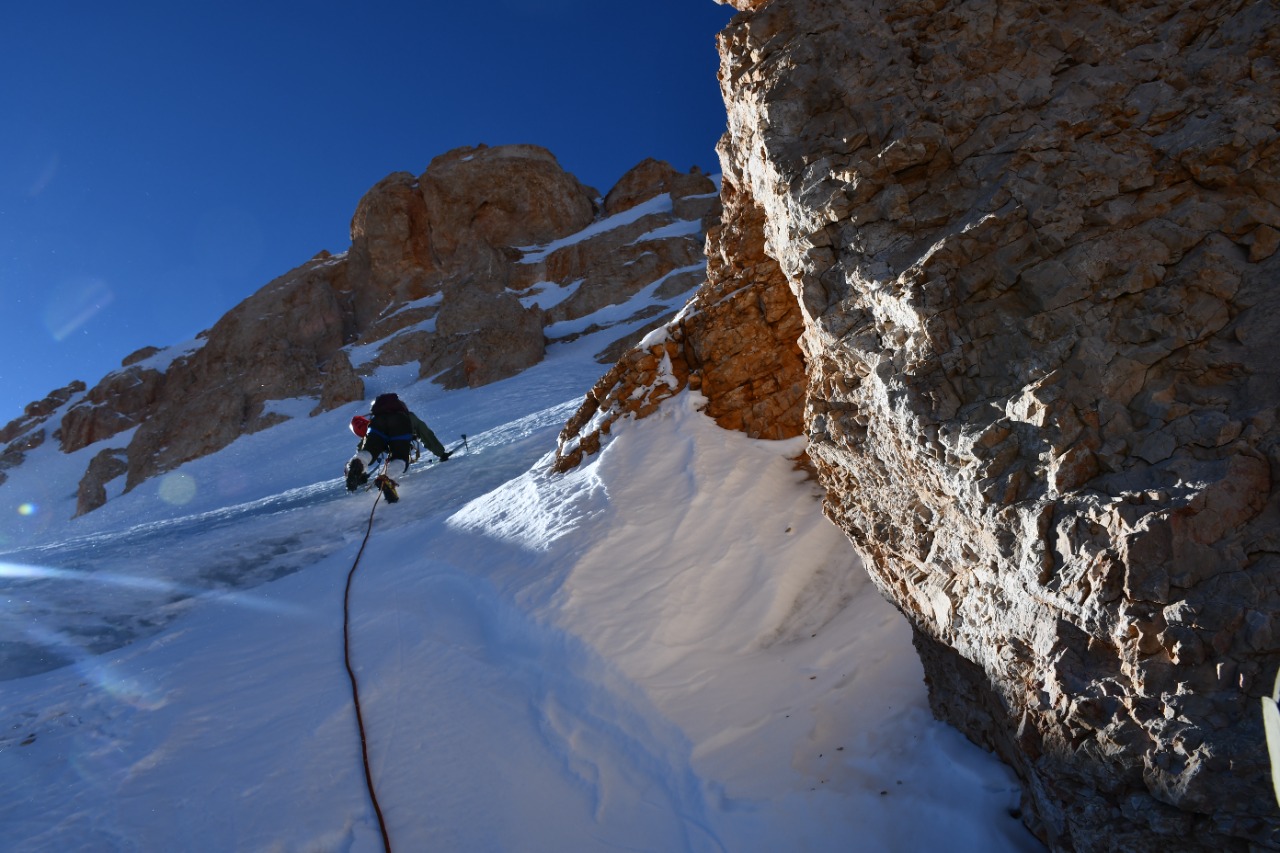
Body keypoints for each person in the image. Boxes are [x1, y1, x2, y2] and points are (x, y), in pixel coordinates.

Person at [345, 393, 450, 492]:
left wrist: (360, 474)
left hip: (378, 425)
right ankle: (387, 477)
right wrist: (441, 453)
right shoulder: (408, 416)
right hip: (400, 425)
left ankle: (358, 463)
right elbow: (425, 433)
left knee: (369, 451)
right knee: (399, 457)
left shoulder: (375, 419)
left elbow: (364, 446)